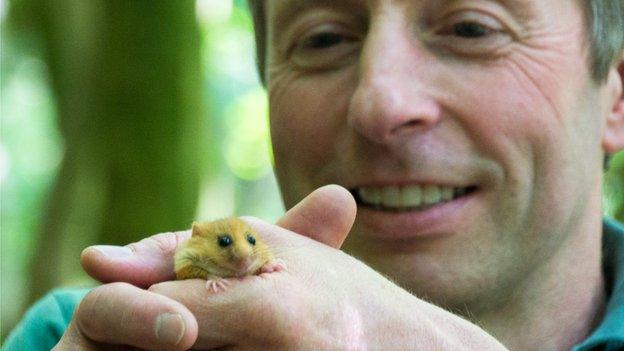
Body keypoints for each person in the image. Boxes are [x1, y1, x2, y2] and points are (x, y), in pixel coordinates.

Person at [4, 0, 624, 350]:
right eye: (324, 39)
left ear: (616, 98)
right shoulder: (84, 333)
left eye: (471, 28)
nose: (379, 104)